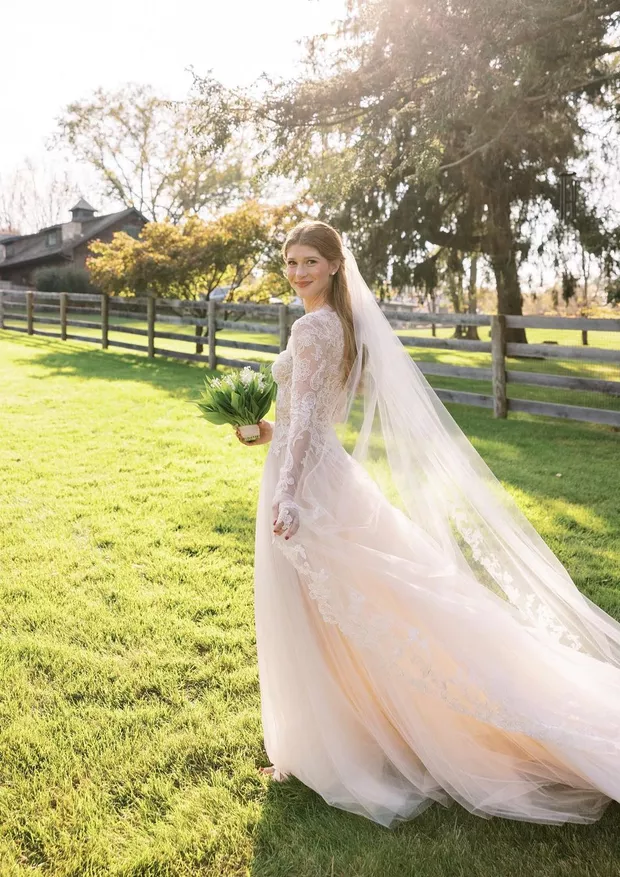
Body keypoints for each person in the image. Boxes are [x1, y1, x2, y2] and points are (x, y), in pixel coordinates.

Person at [234, 219, 620, 829]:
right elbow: (306, 418)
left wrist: (286, 494)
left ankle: (329, 749)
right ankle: (340, 736)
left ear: (335, 265)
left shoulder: (313, 327)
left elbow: (311, 419)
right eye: (290, 262)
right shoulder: (344, 326)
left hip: (305, 485)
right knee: (346, 610)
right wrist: (267, 434)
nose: (298, 272)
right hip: (320, 472)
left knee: (320, 612)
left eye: (309, 261)